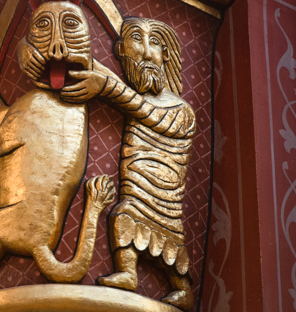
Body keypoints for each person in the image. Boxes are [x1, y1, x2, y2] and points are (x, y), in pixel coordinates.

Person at [24, 16, 195, 310]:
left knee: (170, 237)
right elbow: (106, 79)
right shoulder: (131, 93)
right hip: (135, 189)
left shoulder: (181, 109)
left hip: (163, 192)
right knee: (123, 216)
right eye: (135, 40)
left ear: (166, 54)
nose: (144, 52)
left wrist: (108, 88)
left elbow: (147, 112)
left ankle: (183, 287)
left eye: (154, 42)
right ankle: (128, 273)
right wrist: (35, 50)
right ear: (121, 52)